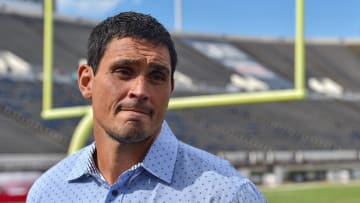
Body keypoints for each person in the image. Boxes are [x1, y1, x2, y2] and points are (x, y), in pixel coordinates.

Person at [27, 11, 267, 203]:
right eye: (124, 71)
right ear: (86, 81)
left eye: (157, 76)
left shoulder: (227, 194)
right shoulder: (48, 191)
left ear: (170, 89)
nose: (140, 90)